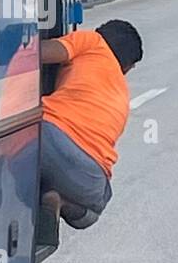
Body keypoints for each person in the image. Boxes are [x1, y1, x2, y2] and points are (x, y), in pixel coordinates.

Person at [37, 19, 144, 243]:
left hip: (43, 135)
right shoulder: (122, 94)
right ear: (126, 67)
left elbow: (43, 53)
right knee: (100, 202)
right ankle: (58, 200)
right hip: (88, 173)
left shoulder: (93, 41)